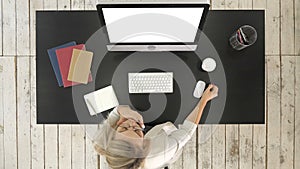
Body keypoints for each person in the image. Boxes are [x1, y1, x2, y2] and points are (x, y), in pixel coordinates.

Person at [93, 84, 219, 169]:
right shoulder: (161, 151)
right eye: (137, 131)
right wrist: (204, 100)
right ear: (144, 145)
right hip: (167, 140)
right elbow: (187, 130)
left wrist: (124, 111)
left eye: (124, 128)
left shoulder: (106, 141)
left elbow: (116, 112)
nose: (132, 123)